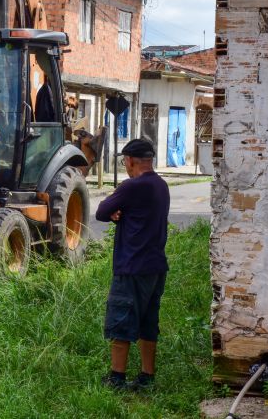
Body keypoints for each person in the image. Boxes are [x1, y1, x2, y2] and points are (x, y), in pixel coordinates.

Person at [95, 138, 170, 391]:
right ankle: (147, 376)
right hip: (156, 266)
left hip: (132, 267)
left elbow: (102, 211)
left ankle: (117, 377)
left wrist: (116, 210)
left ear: (129, 161)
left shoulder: (131, 186)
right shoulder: (161, 185)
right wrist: (120, 212)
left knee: (121, 320)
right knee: (148, 322)